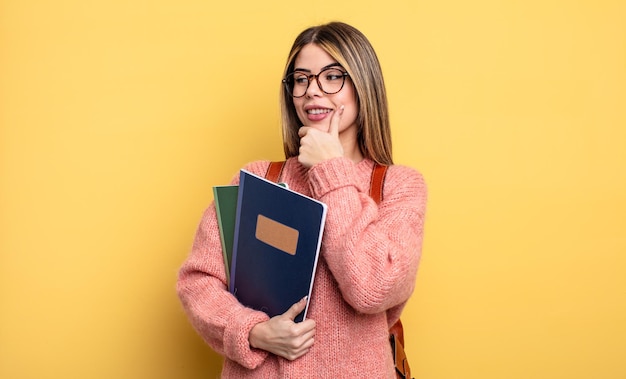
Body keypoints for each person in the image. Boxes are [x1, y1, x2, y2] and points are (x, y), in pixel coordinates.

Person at [177, 21, 427, 378]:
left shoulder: (398, 186)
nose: (313, 91)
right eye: (301, 79)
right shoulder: (258, 177)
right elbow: (198, 281)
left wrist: (330, 170)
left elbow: (371, 287)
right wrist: (251, 331)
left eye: (332, 76)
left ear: (363, 85)